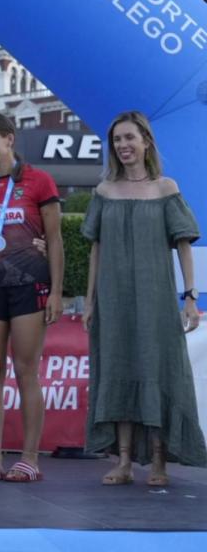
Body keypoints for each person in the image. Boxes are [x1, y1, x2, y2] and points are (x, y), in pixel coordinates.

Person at [82, 110, 205, 486]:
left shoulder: (166, 188)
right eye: (117, 140)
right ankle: (122, 462)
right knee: (117, 370)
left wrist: (190, 297)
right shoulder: (104, 191)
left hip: (156, 300)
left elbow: (183, 244)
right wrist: (90, 301)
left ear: (146, 142)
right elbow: (96, 250)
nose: (123, 145)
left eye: (129, 138)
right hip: (113, 301)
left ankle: (158, 461)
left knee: (156, 370)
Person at [0, 112, 63, 483]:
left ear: (9, 138)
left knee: (26, 371)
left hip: (29, 285)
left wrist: (56, 291)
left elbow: (54, 239)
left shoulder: (39, 180)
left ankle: (29, 459)